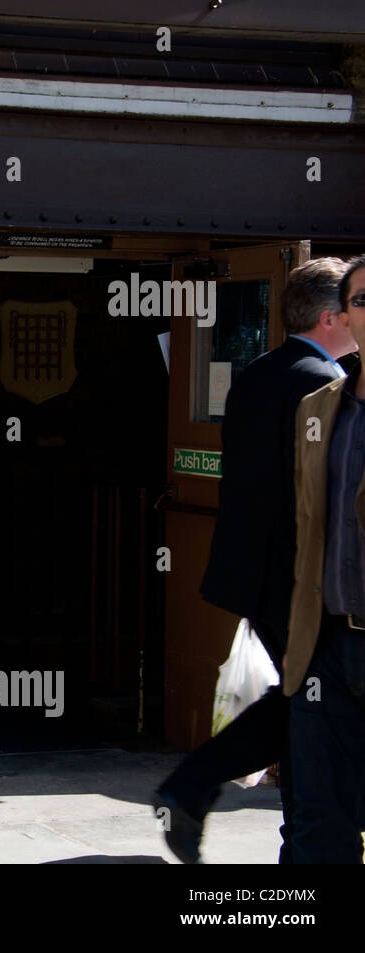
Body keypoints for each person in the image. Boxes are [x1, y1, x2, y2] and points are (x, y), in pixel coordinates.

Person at [153, 257, 358, 863]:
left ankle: (291, 827)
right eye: (353, 307)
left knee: (309, 701)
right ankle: (199, 785)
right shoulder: (322, 384)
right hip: (302, 580)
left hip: (255, 570)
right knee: (312, 699)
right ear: (330, 317)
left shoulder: (261, 371)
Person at [285, 253, 365, 863]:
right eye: (362, 300)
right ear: (343, 315)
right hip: (325, 642)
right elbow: (309, 524)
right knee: (318, 818)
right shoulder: (320, 405)